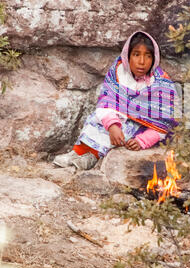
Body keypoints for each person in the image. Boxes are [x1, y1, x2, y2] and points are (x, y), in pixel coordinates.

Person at [53, 31, 178, 170]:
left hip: (138, 130)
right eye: (136, 54)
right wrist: (112, 125)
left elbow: (164, 124)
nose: (142, 62)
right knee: (96, 118)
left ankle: (92, 157)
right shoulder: (118, 73)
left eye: (148, 56)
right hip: (116, 125)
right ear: (127, 56)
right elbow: (105, 103)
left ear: (154, 58)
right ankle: (78, 152)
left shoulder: (161, 83)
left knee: (128, 126)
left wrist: (142, 141)